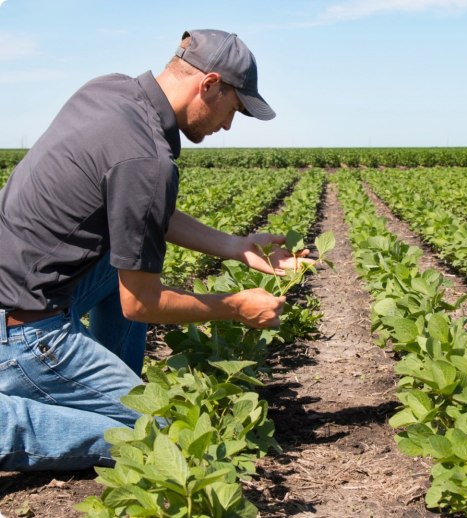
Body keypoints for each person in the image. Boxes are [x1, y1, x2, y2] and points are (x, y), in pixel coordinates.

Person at [0, 29, 309, 471]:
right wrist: (237, 306)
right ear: (210, 84)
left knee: (117, 258)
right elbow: (141, 303)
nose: (227, 125)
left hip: (20, 294)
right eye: (233, 110)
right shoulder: (147, 159)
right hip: (25, 334)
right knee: (163, 438)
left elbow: (142, 212)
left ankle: (109, 392)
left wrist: (236, 247)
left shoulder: (110, 90)